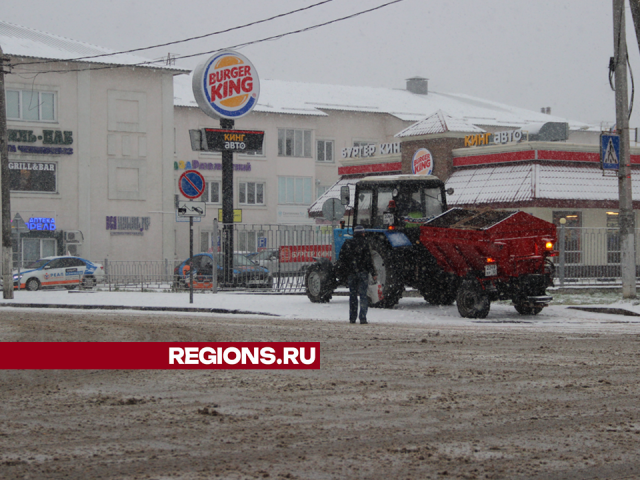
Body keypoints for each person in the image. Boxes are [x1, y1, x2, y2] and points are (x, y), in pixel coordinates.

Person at [339, 225, 377, 324]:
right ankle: (363, 318)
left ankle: (352, 318)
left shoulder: (347, 243)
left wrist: (345, 271)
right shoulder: (365, 244)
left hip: (352, 273)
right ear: (363, 233)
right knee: (363, 295)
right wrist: (373, 273)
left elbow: (342, 259)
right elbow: (369, 260)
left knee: (353, 295)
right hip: (363, 273)